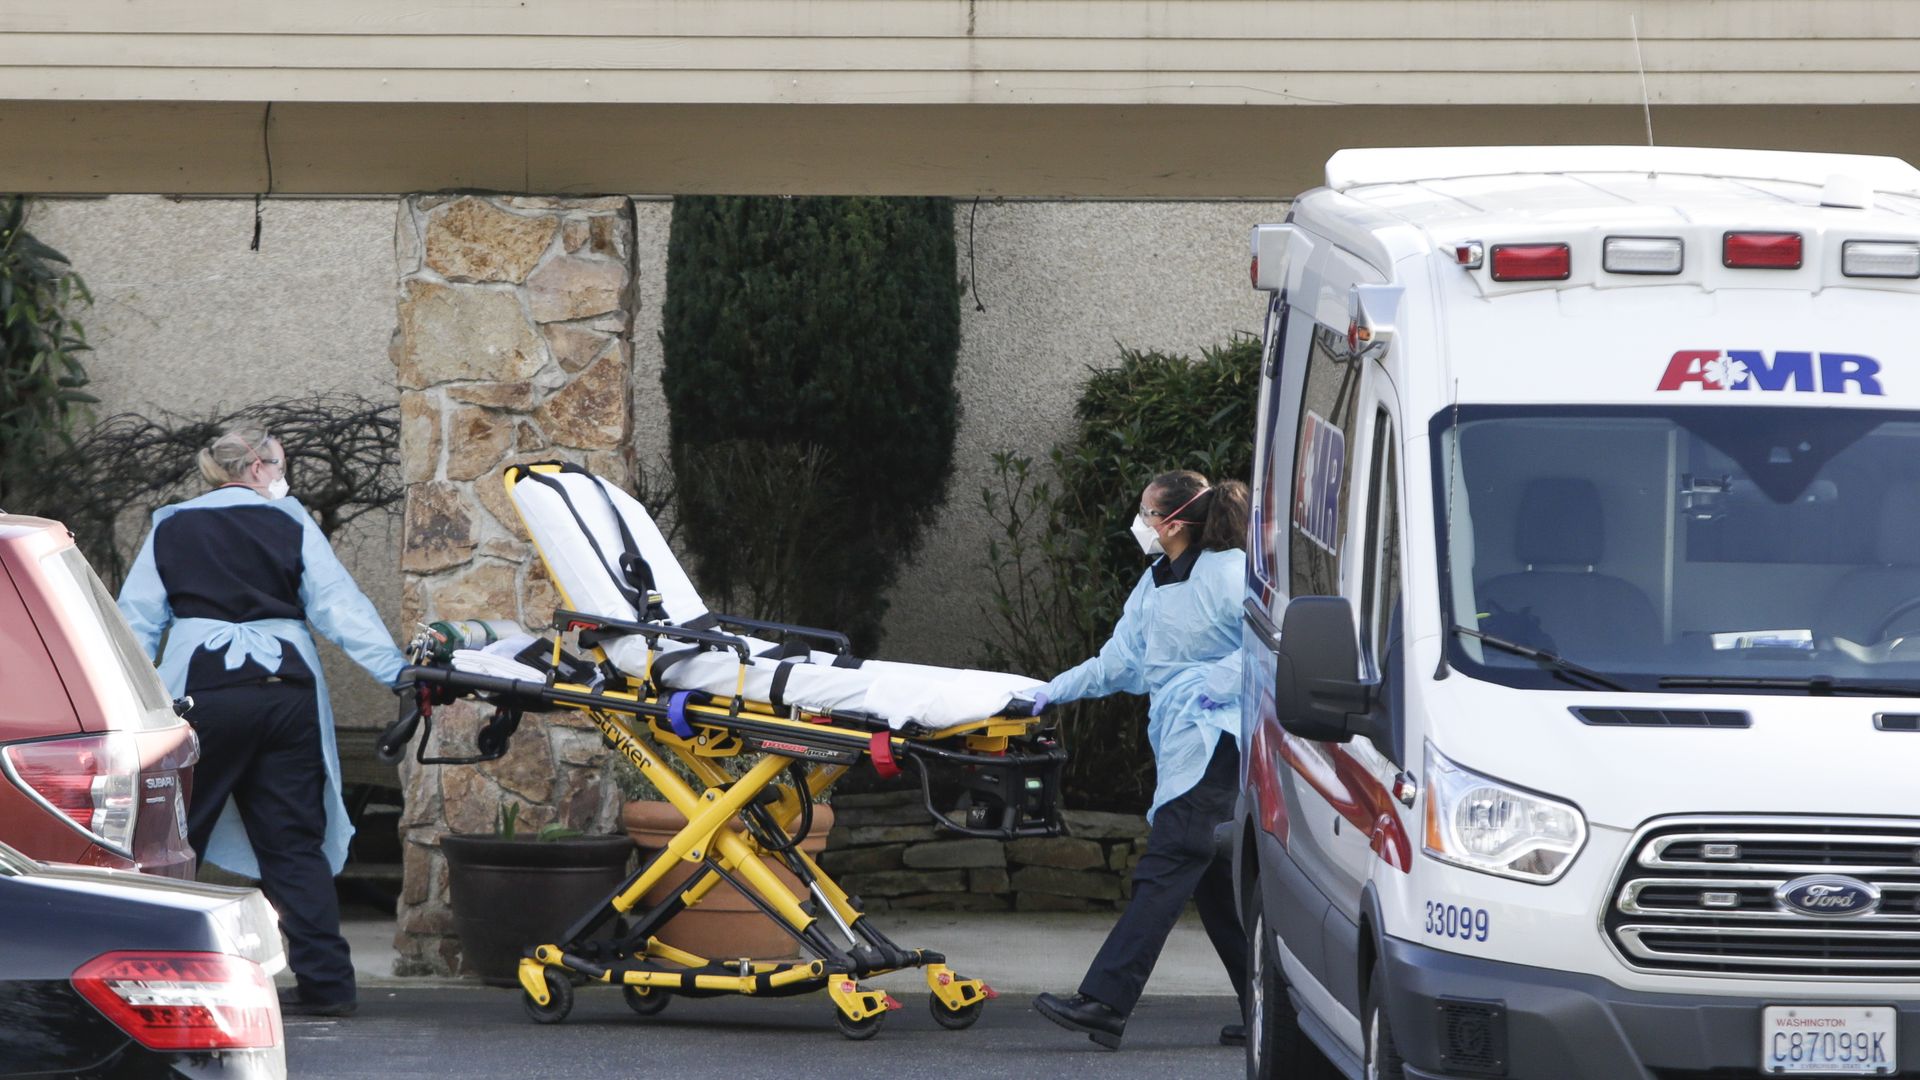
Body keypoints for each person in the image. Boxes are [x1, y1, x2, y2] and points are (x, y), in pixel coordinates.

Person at [118, 423, 405, 1018]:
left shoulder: (172, 523)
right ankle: (328, 986)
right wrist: (397, 673)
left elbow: (136, 619)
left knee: (174, 839)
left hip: (202, 693)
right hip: (286, 691)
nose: (282, 475)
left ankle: (153, 984)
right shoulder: (290, 519)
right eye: (279, 464)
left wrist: (116, 699)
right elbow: (340, 606)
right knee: (293, 841)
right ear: (256, 468)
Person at [1032, 470, 1251, 1050]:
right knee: (1216, 889)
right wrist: (1050, 691)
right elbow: (1119, 663)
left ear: (1173, 523)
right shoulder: (1154, 582)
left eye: (1147, 514)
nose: (1141, 524)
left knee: (1168, 864)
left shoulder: (1230, 573)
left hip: (1217, 741)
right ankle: (1272, 1010)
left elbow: (1272, 645)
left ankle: (1105, 1001)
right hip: (1184, 740)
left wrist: (1218, 683)